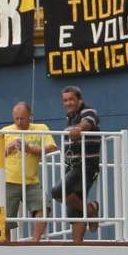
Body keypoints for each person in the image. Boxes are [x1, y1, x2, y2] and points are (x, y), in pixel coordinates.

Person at [53, 86, 101, 244]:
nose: (68, 103)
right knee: (74, 211)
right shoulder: (70, 118)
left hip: (86, 165)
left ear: (79, 100)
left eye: (71, 99)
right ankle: (77, 245)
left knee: (58, 192)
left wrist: (79, 129)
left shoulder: (87, 111)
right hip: (72, 166)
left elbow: (88, 123)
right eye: (65, 100)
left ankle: (90, 210)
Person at [2, 100, 55, 242]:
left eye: (22, 118)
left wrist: (30, 149)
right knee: (4, 218)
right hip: (8, 181)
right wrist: (9, 147)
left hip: (31, 181)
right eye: (16, 118)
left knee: (43, 206)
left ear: (30, 115)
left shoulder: (41, 128)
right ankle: (5, 248)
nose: (19, 122)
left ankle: (35, 241)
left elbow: (51, 147)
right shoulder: (5, 131)